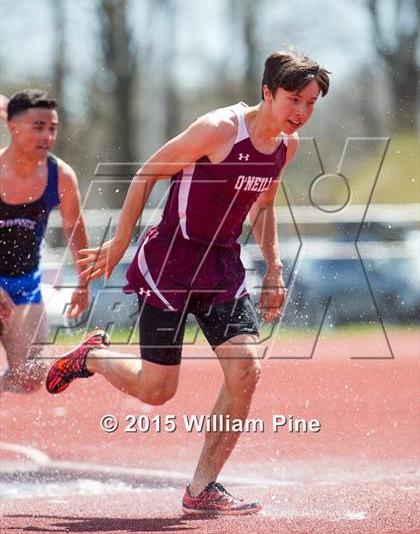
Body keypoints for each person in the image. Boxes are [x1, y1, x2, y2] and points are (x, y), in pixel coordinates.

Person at [46, 50, 330, 514]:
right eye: (293, 99)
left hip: (221, 266)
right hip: (172, 263)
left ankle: (202, 488)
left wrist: (274, 269)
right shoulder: (217, 130)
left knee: (247, 369)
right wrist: (119, 245)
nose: (301, 112)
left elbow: (263, 205)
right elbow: (146, 175)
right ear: (267, 91)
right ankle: (93, 356)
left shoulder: (286, 146)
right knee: (158, 391)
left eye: (311, 103)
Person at [0, 90, 90, 394]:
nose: (47, 136)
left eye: (52, 128)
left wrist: (84, 283)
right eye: (38, 127)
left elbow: (75, 229)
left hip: (24, 283)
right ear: (13, 127)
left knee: (29, 376)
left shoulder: (61, 175)